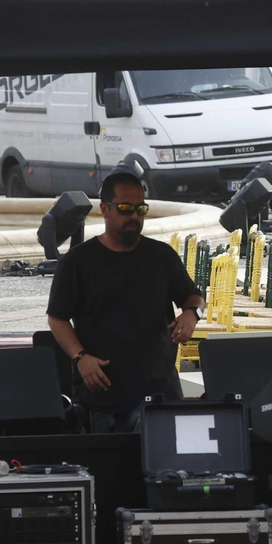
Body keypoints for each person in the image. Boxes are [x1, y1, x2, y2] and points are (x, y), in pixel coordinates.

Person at [47, 171, 204, 431]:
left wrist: (192, 314)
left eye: (140, 209)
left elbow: (194, 296)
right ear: (105, 209)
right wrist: (80, 357)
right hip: (103, 396)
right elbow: (57, 317)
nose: (134, 216)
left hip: (161, 391)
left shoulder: (161, 256)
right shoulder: (77, 262)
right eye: (125, 208)